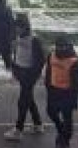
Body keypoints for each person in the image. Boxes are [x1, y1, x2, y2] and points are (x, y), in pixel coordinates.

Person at [3, 12, 46, 141]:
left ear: (25, 27)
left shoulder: (34, 40)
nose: (16, 29)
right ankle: (38, 124)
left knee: (22, 102)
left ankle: (18, 130)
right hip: (21, 72)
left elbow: (40, 61)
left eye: (19, 27)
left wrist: (33, 75)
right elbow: (16, 54)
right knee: (29, 99)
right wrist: (14, 69)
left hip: (29, 75)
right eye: (15, 27)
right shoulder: (18, 38)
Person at [45, 35, 78, 148]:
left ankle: (63, 142)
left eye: (64, 46)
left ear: (68, 46)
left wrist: (73, 98)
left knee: (67, 118)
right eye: (59, 46)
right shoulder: (51, 56)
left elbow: (77, 83)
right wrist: (48, 85)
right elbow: (48, 71)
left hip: (67, 93)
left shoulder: (74, 61)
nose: (61, 49)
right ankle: (61, 129)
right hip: (54, 90)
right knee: (50, 112)